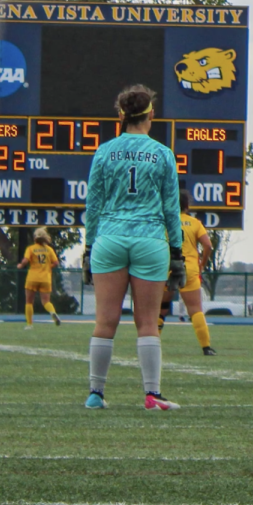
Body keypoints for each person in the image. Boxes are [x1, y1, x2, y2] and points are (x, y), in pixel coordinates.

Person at [82, 84, 183, 411]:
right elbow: (171, 208)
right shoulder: (163, 154)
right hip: (150, 240)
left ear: (121, 115)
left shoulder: (104, 151)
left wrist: (88, 247)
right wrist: (178, 253)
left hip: (110, 238)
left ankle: (96, 394)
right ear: (151, 114)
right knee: (148, 322)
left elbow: (93, 205)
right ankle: (152, 394)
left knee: (105, 320)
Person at [178, 190, 217, 356]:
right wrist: (202, 263)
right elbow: (207, 245)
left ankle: (150, 345)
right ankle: (206, 347)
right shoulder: (194, 223)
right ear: (187, 206)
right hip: (189, 268)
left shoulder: (163, 221)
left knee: (160, 309)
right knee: (195, 309)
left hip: (166, 268)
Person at [17, 227, 62, 330]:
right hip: (45, 278)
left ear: (35, 238)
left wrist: (20, 265)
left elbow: (25, 260)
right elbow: (55, 263)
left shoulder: (31, 248)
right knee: (46, 301)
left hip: (32, 277)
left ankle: (29, 324)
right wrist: (47, 267)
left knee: (29, 301)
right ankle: (52, 312)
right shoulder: (49, 249)